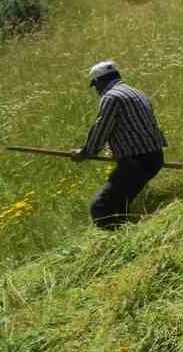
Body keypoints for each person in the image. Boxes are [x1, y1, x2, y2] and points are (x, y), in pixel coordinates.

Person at [71, 60, 167, 230]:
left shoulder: (111, 97)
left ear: (100, 81)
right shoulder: (136, 92)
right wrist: (116, 150)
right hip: (154, 156)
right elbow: (133, 127)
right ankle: (129, 232)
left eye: (95, 86)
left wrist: (86, 152)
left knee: (101, 207)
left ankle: (117, 242)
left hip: (137, 161)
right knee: (118, 203)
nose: (97, 91)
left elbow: (102, 127)